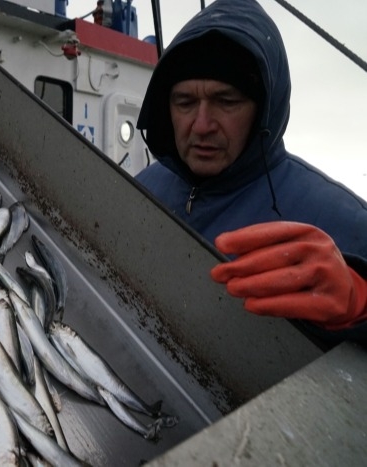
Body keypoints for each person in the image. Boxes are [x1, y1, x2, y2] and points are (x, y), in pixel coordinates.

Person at [134, 0, 367, 345]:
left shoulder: (338, 218)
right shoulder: (142, 188)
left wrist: (359, 303)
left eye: (226, 102)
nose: (201, 125)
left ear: (264, 111)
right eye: (184, 102)